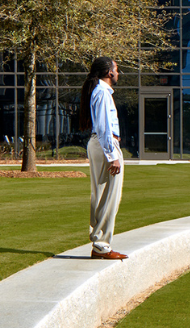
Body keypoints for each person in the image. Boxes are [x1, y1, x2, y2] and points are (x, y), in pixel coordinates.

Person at [84, 56, 128, 260]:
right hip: (105, 145)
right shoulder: (102, 92)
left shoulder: (100, 91)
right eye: (116, 69)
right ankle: (101, 245)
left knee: (102, 194)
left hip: (100, 145)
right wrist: (113, 156)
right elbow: (103, 127)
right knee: (109, 196)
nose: (118, 73)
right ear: (109, 72)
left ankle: (99, 244)